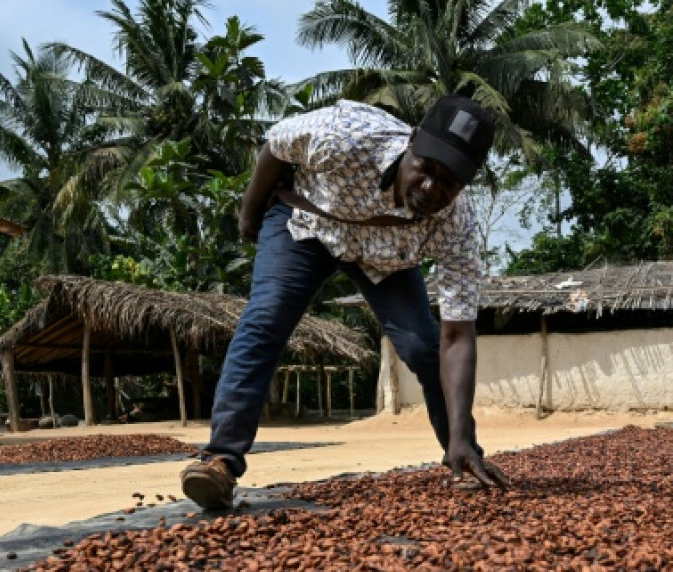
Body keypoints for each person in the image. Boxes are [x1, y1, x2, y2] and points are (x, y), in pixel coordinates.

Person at [180, 95, 509, 509]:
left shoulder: (458, 224)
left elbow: (457, 337)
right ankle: (220, 460)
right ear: (411, 144)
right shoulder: (344, 137)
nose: (430, 188)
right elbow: (275, 148)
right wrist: (249, 213)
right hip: (307, 224)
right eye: (424, 168)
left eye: (448, 183)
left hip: (385, 256)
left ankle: (462, 454)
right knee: (266, 319)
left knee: (425, 349)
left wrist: (462, 438)